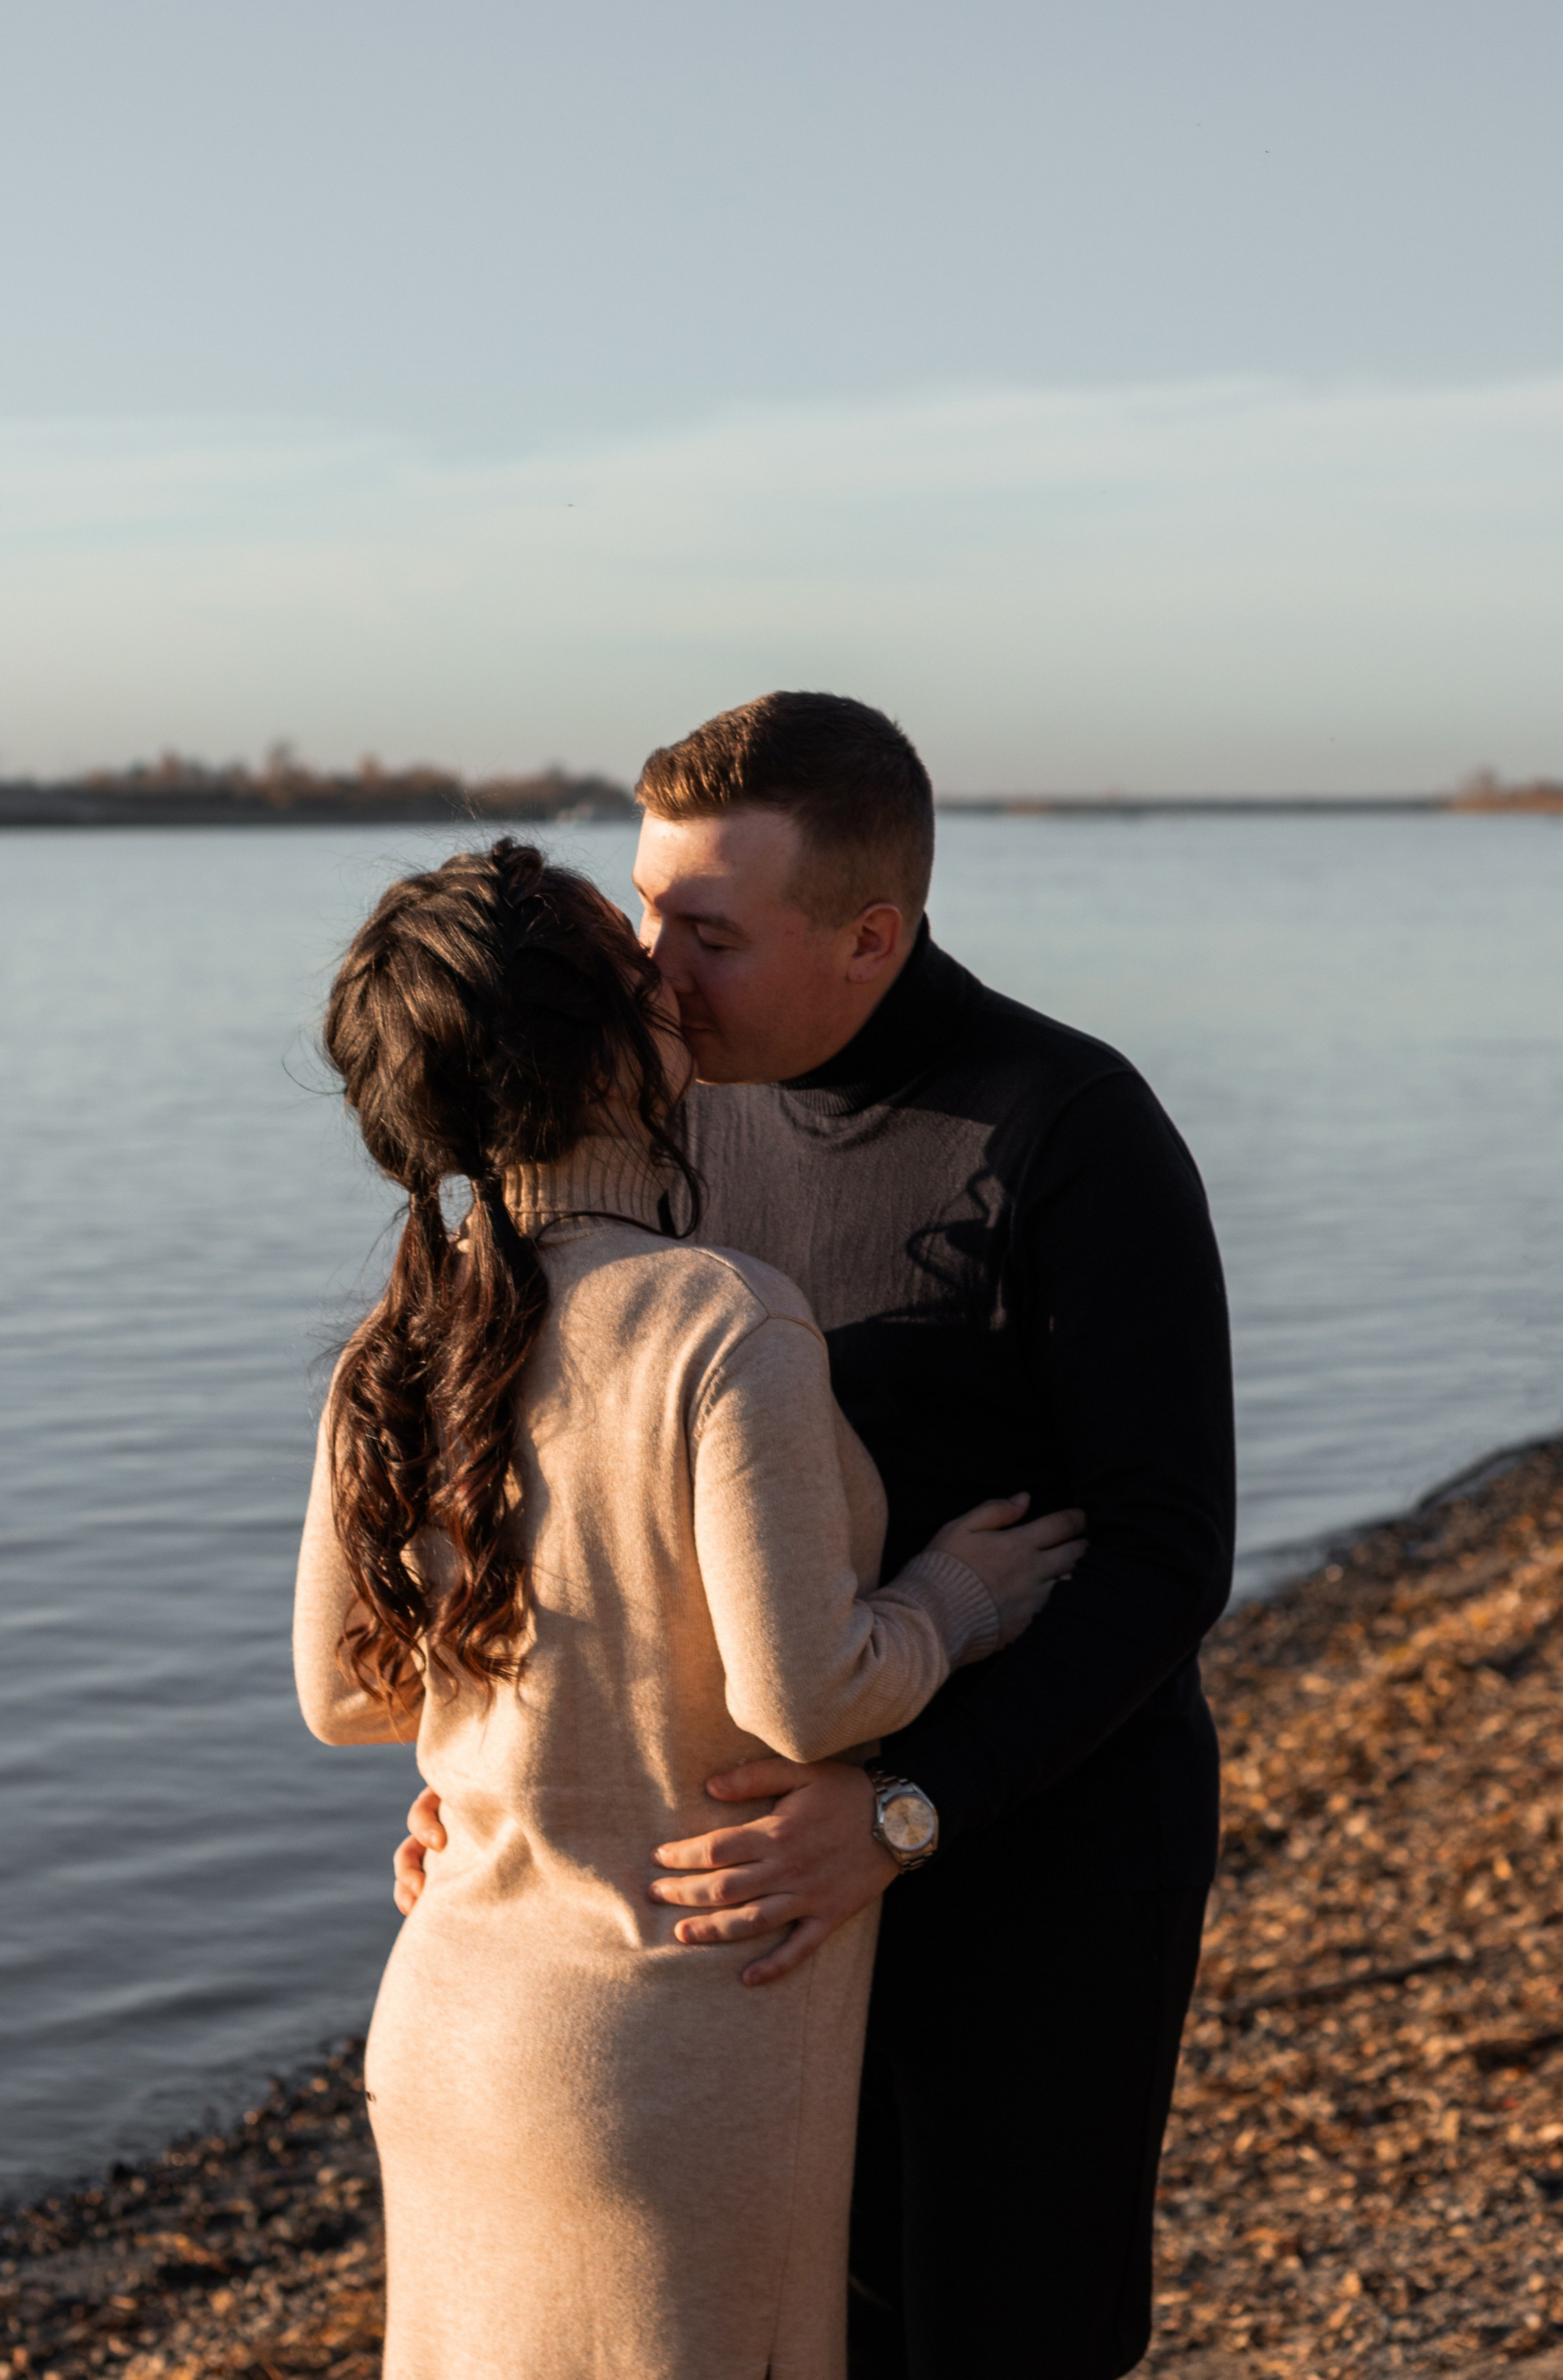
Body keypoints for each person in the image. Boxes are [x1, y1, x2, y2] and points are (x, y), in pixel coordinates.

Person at [396, 694, 1236, 2380]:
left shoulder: (1071, 1132)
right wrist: (485, 1784)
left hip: (1035, 1858)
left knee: (998, 2340)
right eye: (641, 912)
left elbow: (1163, 1559)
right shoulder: (654, 1131)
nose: (646, 971)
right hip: (748, 1897)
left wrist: (908, 1810)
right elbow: (561, 1486)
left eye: (703, 933)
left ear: (870, 935)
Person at [294, 838, 1085, 2380]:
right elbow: (807, 1694)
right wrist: (953, 1598)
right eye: (634, 966)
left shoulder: (400, 1337)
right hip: (666, 2061)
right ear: (609, 1051)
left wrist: (500, 1766)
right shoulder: (713, 1318)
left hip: (449, 2021)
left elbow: (346, 1694)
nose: (673, 984)